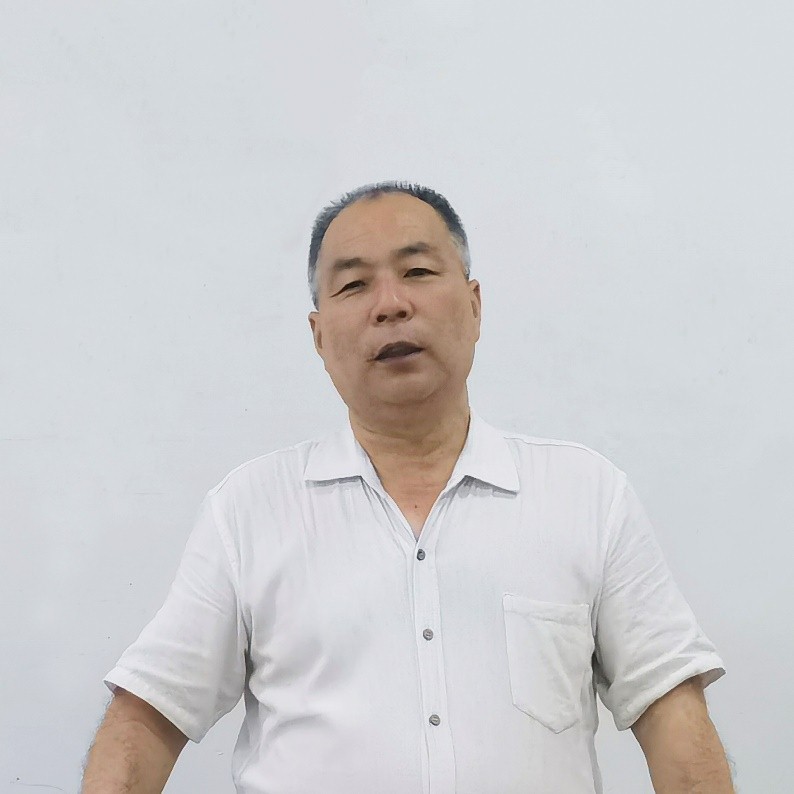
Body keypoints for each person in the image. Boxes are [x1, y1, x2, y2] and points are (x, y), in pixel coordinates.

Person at [82, 182, 733, 793]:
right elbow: (146, 719)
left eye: (418, 272)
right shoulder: (249, 510)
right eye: (354, 284)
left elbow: (672, 714)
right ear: (318, 335)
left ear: (474, 305)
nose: (390, 304)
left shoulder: (586, 495)